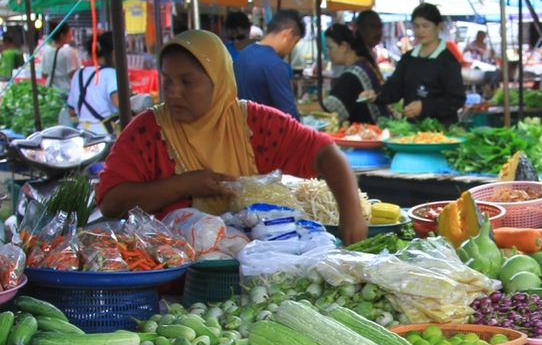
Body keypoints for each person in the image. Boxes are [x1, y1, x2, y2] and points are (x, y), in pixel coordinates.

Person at [95, 29, 367, 242]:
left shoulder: (254, 123)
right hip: (171, 276)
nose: (173, 91)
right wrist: (184, 184)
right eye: (167, 80)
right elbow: (111, 202)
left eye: (187, 82)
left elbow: (325, 153)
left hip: (255, 275)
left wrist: (351, 212)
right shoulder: (147, 131)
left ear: (220, 80)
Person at [375, 3, 465, 126]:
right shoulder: (408, 59)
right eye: (416, 26)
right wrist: (375, 95)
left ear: (438, 27)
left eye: (425, 26)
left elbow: (456, 99)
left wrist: (424, 106)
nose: (420, 31)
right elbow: (394, 89)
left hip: (441, 132)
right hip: (411, 130)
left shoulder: (448, 61)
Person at [234, 9, 305, 119]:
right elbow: (289, 116)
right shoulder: (275, 65)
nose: (291, 48)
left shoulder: (243, 54)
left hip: (240, 130)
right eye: (294, 42)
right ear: (288, 33)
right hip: (265, 133)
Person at [323, 23, 388, 124]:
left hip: (372, 133)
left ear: (344, 46)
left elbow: (329, 109)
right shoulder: (363, 64)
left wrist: (297, 108)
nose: (328, 52)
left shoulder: (352, 75)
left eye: (330, 47)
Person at [67, 31, 120, 131]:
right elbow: (119, 102)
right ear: (113, 54)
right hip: (105, 135)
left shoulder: (78, 74)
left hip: (82, 132)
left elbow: (71, 111)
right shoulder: (111, 74)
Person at [37, 23, 81, 106]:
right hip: (67, 92)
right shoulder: (69, 52)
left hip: (52, 93)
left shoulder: (46, 50)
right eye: (69, 33)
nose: (70, 35)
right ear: (62, 35)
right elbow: (74, 75)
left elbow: (44, 75)